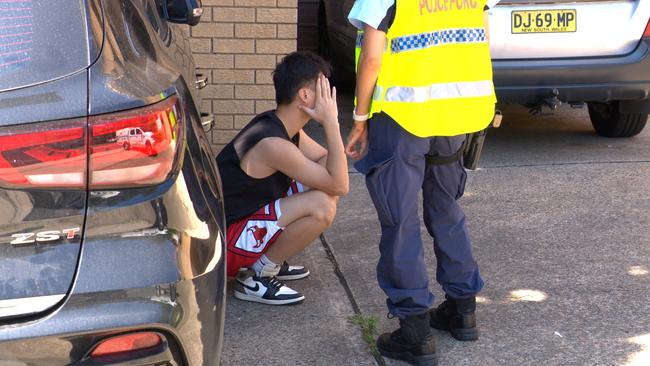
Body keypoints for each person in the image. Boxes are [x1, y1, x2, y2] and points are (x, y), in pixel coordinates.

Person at [346, 0, 499, 364]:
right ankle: (462, 311)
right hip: (456, 115)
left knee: (400, 221)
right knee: (446, 207)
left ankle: (414, 331)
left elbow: (371, 60)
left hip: (403, 118)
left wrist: (360, 118)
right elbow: (482, 39)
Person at [216, 52, 348, 306]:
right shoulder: (272, 143)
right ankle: (257, 275)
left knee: (323, 188)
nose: (330, 95)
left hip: (237, 227)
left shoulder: (280, 126)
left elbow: (327, 164)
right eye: (324, 86)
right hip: (224, 246)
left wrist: (330, 171)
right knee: (322, 205)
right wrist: (332, 123)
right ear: (305, 96)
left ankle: (264, 260)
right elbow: (341, 183)